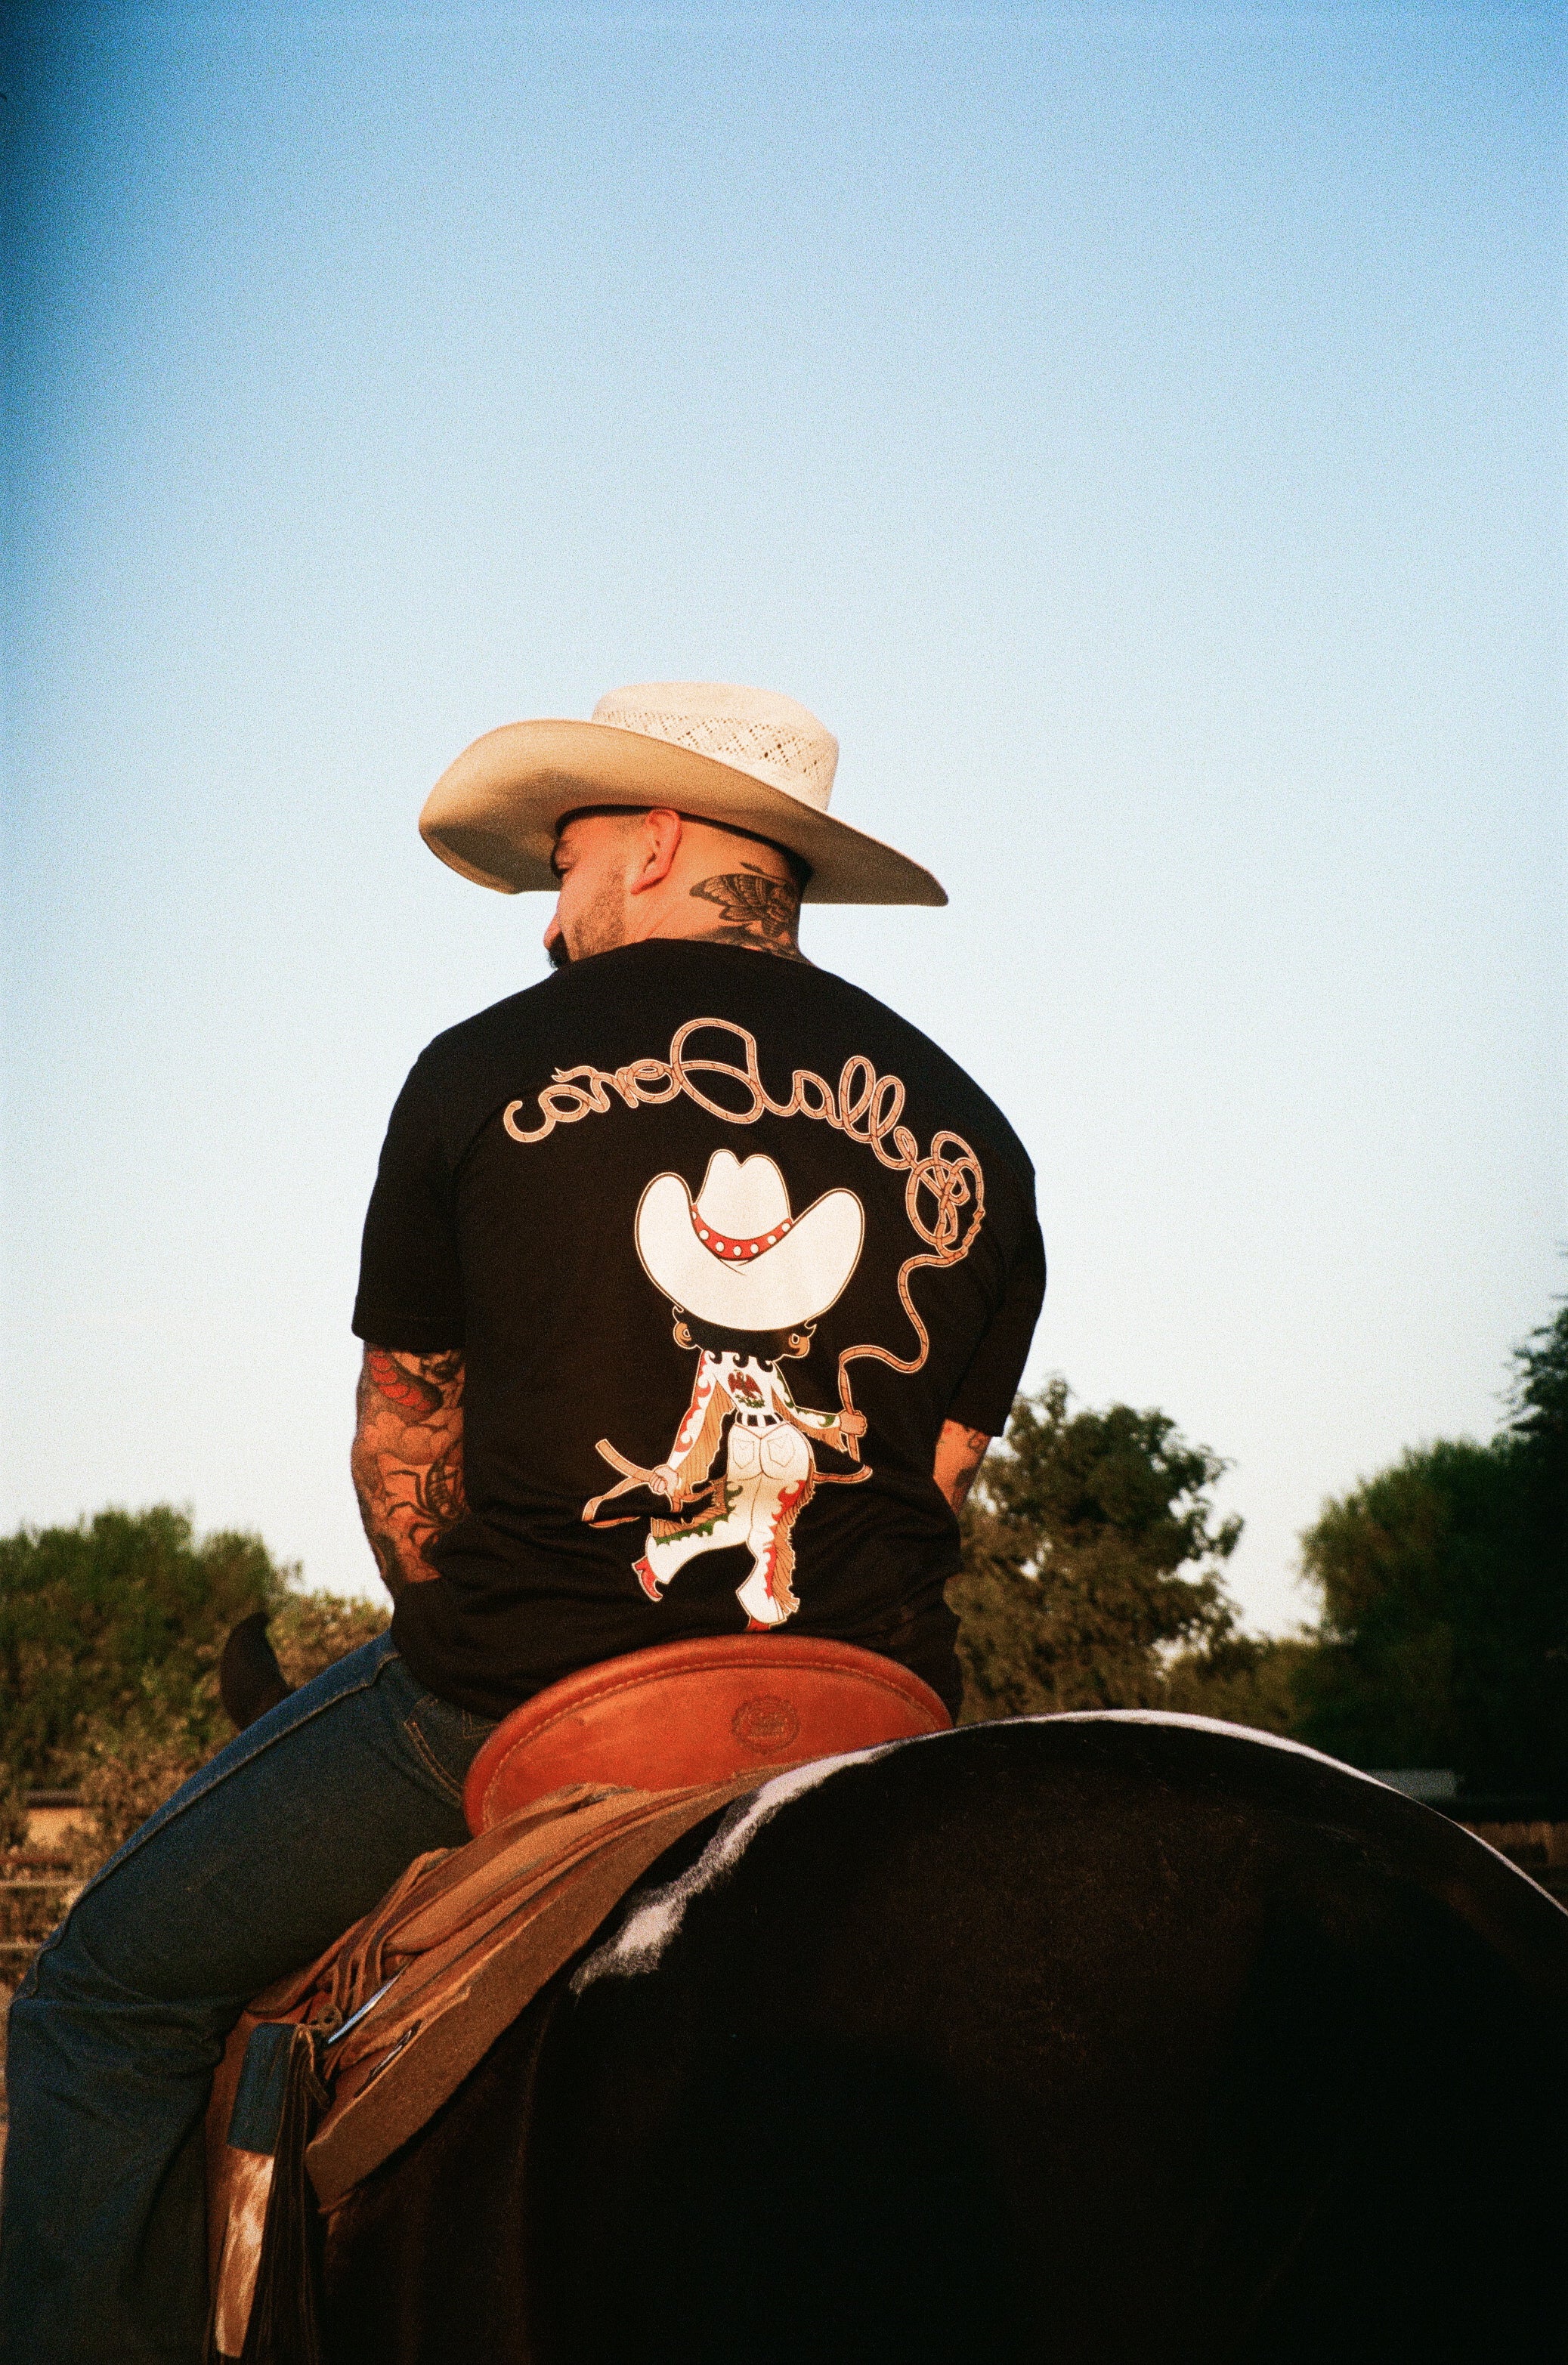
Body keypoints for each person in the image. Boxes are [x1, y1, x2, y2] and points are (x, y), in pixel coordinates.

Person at [0, 682, 1044, 2362]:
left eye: (560, 867)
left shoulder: (482, 1066)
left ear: (651, 838)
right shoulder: (975, 1132)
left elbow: (403, 1443)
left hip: (545, 1697)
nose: (550, 920)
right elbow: (933, 1495)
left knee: (95, 2004)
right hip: (869, 1713)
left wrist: (494, 1631)